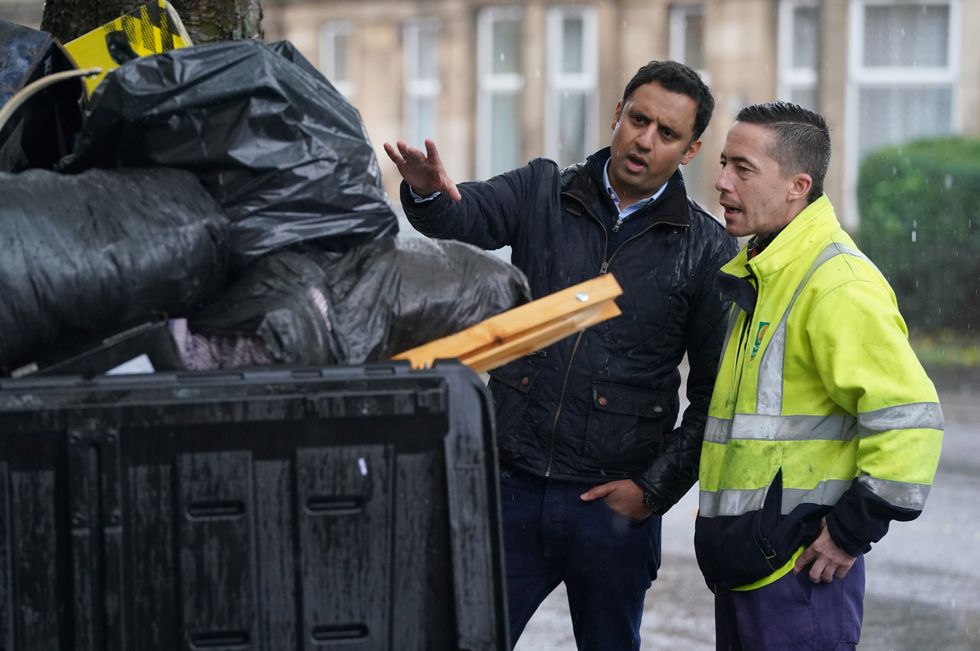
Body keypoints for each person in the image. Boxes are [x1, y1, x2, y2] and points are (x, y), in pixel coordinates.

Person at [384, 60, 737, 650]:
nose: (644, 140)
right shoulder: (543, 190)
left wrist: (651, 491)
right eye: (638, 119)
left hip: (609, 507)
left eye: (666, 133)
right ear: (616, 114)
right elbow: (463, 213)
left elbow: (713, 396)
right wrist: (425, 192)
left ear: (692, 148)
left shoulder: (706, 248)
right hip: (510, 485)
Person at [695, 101, 944, 650]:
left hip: (800, 578)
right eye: (723, 164)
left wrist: (850, 534)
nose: (720, 183)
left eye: (742, 168)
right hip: (752, 573)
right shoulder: (764, 274)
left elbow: (911, 424)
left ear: (796, 185)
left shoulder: (836, 282)